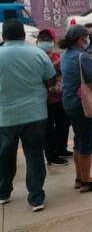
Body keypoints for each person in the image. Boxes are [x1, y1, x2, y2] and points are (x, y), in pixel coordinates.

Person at [0, 20, 57, 212]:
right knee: (34, 155)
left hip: (5, 117)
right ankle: (36, 198)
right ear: (24, 36)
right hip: (35, 114)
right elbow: (51, 81)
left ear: (3, 36)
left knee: (5, 155)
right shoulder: (38, 53)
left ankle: (3, 193)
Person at [60, 25, 92, 193]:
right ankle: (87, 182)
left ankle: (80, 177)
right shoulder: (83, 57)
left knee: (78, 142)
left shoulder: (66, 56)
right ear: (82, 39)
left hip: (70, 103)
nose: (89, 41)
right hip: (83, 105)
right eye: (87, 38)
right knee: (86, 144)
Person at [37, 29, 71, 166]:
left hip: (61, 97)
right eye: (43, 40)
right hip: (45, 100)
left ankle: (62, 149)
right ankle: (51, 156)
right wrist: (54, 66)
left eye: (48, 40)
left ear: (53, 41)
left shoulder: (58, 55)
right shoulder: (36, 57)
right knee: (49, 128)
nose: (46, 43)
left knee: (64, 124)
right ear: (38, 42)